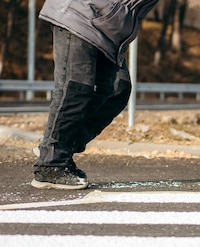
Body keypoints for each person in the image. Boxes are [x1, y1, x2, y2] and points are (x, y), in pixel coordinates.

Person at [31, 0, 159, 189]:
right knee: (76, 88)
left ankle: (56, 147)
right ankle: (51, 164)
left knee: (118, 89)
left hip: (109, 27)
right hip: (82, 12)